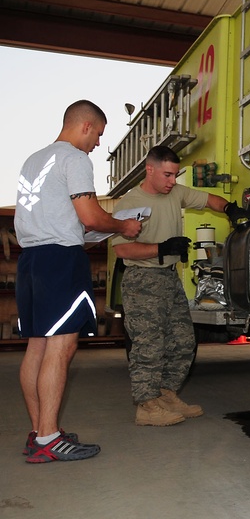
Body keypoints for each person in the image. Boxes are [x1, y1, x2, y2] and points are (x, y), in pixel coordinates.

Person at [15, 100, 143, 463]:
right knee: (61, 347)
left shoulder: (33, 160)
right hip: (60, 261)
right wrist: (123, 226)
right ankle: (48, 439)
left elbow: (57, 216)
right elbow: (89, 216)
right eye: (99, 135)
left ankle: (40, 431)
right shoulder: (74, 158)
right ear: (85, 126)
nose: (98, 144)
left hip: (31, 260)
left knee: (37, 347)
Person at [111, 145, 250, 426]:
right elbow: (122, 251)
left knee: (183, 341)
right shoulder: (129, 203)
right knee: (148, 345)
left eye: (175, 175)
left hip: (168, 278)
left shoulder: (174, 192)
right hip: (142, 280)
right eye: (167, 174)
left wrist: (230, 209)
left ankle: (165, 395)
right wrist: (161, 248)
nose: (172, 181)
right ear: (149, 170)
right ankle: (146, 406)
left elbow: (207, 199)